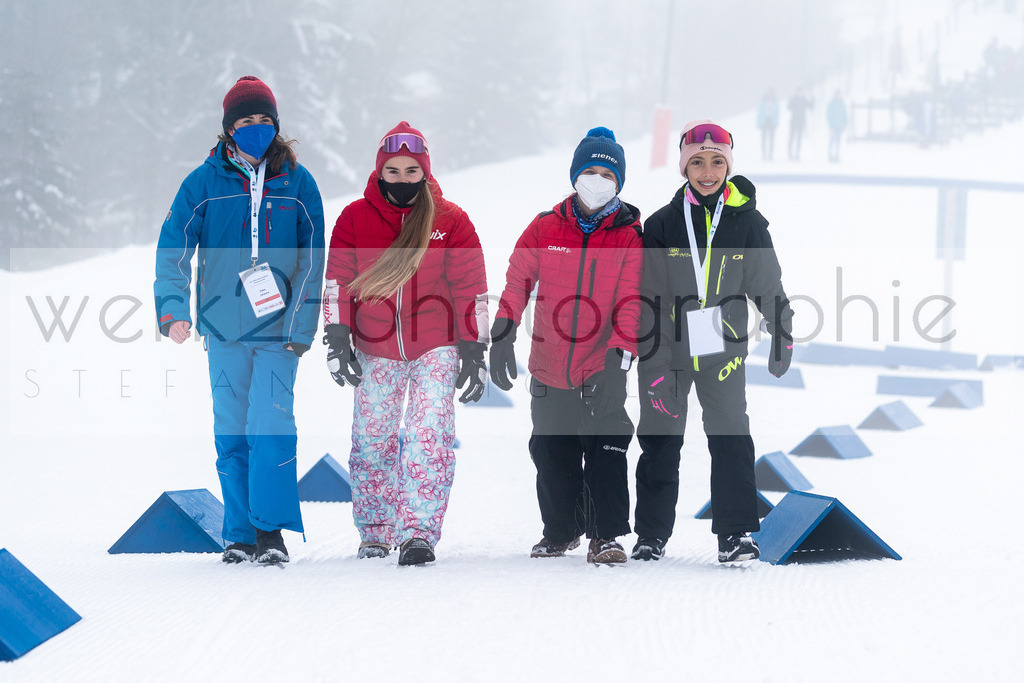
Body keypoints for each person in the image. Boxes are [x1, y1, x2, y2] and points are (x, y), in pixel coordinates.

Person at [154, 76, 325, 566]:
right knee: (231, 430)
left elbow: (313, 258)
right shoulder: (202, 183)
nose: (256, 128)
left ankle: (270, 531)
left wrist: (301, 326)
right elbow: (174, 249)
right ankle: (239, 532)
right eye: (245, 121)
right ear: (229, 128)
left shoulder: (298, 182)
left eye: (264, 120)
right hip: (223, 328)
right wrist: (172, 309)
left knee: (269, 425)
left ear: (276, 125)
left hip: (279, 331)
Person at [322, 121, 488, 566]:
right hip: (374, 345)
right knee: (372, 439)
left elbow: (470, 287)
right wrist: (337, 337)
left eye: (411, 171)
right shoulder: (354, 218)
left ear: (425, 171)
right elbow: (338, 281)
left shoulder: (450, 220)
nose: (402, 180)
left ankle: (418, 533)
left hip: (435, 345)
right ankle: (375, 531)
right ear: (379, 172)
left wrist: (474, 348)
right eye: (392, 171)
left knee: (427, 436)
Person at [634, 120, 793, 564]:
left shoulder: (747, 223)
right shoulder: (663, 224)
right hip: (670, 349)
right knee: (661, 439)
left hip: (723, 349)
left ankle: (735, 534)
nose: (708, 171)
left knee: (730, 437)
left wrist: (782, 329)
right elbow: (648, 297)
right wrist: (654, 360)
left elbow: (767, 284)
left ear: (728, 165)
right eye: (698, 162)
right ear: (684, 167)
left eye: (717, 161)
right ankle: (651, 535)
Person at [489, 127, 643, 565]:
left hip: (601, 359)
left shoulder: (631, 235)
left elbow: (633, 301)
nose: (597, 181)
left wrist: (619, 359)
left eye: (607, 174)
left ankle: (606, 535)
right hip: (550, 360)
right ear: (575, 175)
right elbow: (518, 278)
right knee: (552, 451)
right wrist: (504, 329)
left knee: (606, 446)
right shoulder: (545, 226)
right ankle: (560, 531)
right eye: (590, 171)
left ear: (619, 183)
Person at [787, 87, 813, 161]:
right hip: (794, 121)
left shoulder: (803, 100)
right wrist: (790, 99)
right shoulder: (794, 99)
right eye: (798, 91)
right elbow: (788, 107)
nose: (799, 93)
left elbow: (811, 106)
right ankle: (790, 153)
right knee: (791, 138)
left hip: (801, 121)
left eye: (801, 92)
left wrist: (813, 99)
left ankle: (797, 153)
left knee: (799, 138)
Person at [756, 88, 779, 161]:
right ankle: (764, 153)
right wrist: (759, 122)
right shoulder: (763, 100)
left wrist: (776, 122)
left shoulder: (775, 101)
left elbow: (777, 112)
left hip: (772, 121)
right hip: (764, 120)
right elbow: (760, 111)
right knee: (764, 138)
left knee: (771, 138)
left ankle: (770, 154)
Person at [826, 91, 848, 162]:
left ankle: (836, 155)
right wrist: (830, 124)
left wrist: (845, 124)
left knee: (838, 141)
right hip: (833, 125)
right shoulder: (832, 104)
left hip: (840, 126)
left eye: (839, 95)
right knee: (832, 140)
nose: (838, 96)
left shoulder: (842, 104)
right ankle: (830, 155)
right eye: (836, 95)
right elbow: (829, 115)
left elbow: (845, 115)